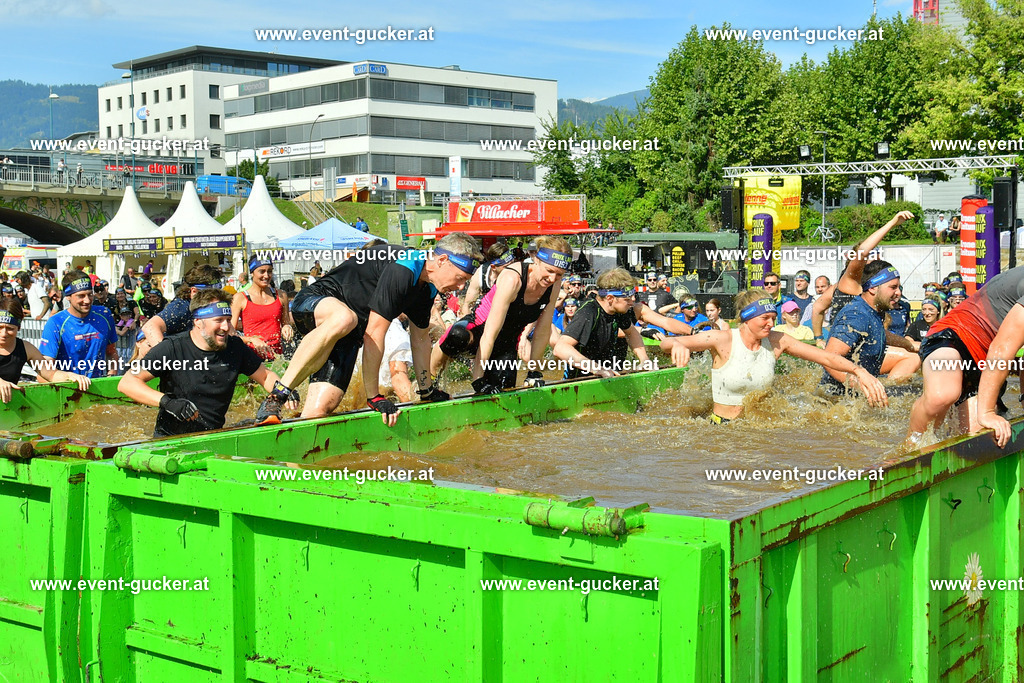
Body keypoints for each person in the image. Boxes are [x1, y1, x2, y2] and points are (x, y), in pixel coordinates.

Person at [263, 234, 481, 423]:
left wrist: (426, 390)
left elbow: (421, 339)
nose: (461, 287)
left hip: (348, 332)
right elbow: (374, 334)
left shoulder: (428, 288)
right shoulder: (403, 268)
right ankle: (277, 397)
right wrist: (374, 396)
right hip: (314, 303)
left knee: (322, 408)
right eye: (461, 278)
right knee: (345, 318)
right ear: (442, 260)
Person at [661, 289, 887, 423]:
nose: (772, 324)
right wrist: (678, 343)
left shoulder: (778, 341)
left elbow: (826, 357)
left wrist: (859, 371)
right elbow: (667, 342)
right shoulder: (723, 339)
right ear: (747, 318)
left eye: (773, 317)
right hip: (722, 429)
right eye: (765, 318)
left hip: (759, 429)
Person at [118, 290, 295, 437]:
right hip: (170, 440)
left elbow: (265, 376)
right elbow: (127, 383)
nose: (226, 327)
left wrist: (283, 391)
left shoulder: (235, 348)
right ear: (198, 322)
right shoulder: (172, 348)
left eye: (227, 320)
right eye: (218, 321)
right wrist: (167, 402)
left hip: (214, 437)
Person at [433, 236, 571, 392]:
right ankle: (430, 377)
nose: (552, 278)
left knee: (503, 393)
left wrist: (535, 371)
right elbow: (489, 333)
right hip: (477, 330)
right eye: (550, 271)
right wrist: (478, 379)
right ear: (536, 260)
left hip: (506, 343)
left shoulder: (554, 284)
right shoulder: (512, 279)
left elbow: (543, 330)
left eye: (559, 274)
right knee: (458, 336)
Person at [908, 266, 1024, 447]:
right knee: (943, 395)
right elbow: (1001, 348)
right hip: (954, 335)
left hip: (984, 362)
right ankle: (910, 447)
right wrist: (986, 412)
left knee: (980, 440)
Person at [811, 211, 916, 350]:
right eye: (873, 255)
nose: (878, 260)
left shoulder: (875, 286)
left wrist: (909, 345)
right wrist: (819, 339)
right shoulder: (850, 280)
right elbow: (817, 308)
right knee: (909, 359)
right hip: (843, 350)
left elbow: (878, 332)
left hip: (864, 349)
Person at [820, 263, 921, 396]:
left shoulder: (873, 309)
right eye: (893, 287)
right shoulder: (856, 315)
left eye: (898, 287)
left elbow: (876, 332)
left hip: (857, 391)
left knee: (912, 357)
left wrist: (909, 345)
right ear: (873, 288)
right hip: (838, 397)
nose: (899, 293)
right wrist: (863, 386)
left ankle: (888, 390)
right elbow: (829, 358)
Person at [553, 268, 654, 380]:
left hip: (606, 375)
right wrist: (597, 369)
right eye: (627, 298)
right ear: (610, 298)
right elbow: (560, 348)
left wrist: (644, 359)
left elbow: (631, 332)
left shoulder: (619, 310)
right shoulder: (588, 312)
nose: (633, 301)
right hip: (578, 381)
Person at [0, 298, 91, 402]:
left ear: (19, 327)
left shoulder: (26, 348)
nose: (4, 334)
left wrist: (70, 376)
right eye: (0, 328)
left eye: (10, 329)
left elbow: (52, 374)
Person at [38, 271, 118, 378]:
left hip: (98, 387)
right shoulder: (55, 323)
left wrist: (111, 374)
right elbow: (44, 372)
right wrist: (69, 378)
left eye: (90, 294)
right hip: (68, 388)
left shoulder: (104, 314)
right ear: (68, 297)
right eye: (81, 296)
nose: (87, 300)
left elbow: (111, 352)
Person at [138, 264, 223, 356]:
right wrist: (168, 361)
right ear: (194, 291)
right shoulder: (182, 306)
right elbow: (150, 327)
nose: (217, 295)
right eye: (213, 291)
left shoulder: (204, 307)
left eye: (219, 288)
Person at [230, 256, 294, 360]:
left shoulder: (281, 295)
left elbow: (285, 322)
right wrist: (251, 340)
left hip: (277, 357)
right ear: (252, 273)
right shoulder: (240, 298)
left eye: (269, 271)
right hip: (251, 357)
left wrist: (287, 327)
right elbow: (230, 334)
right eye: (262, 271)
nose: (266, 275)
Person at [460, 243, 516, 317]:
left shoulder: (518, 272)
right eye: (506, 267)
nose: (511, 268)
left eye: (512, 263)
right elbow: (467, 304)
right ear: (493, 267)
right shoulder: (480, 275)